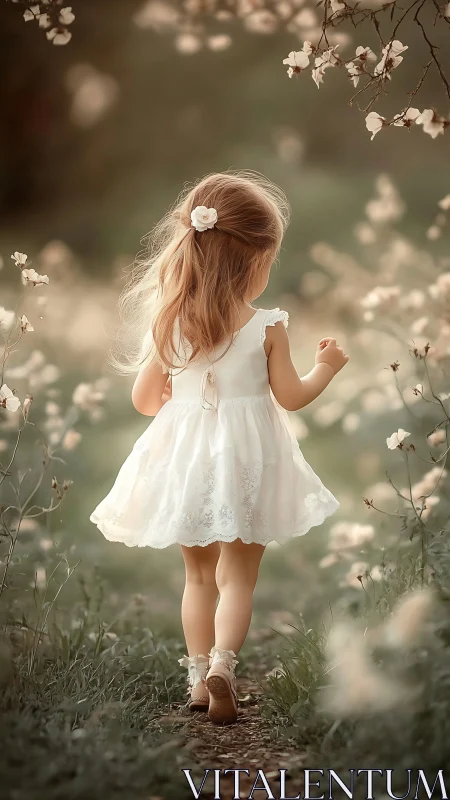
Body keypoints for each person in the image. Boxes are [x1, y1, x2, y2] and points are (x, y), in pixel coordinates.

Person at [90, 171, 349, 725]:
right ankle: (223, 667)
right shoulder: (268, 326)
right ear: (254, 261)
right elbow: (292, 396)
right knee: (239, 576)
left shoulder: (168, 323)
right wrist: (327, 366)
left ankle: (195, 678)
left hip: (190, 463)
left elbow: (144, 401)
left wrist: (177, 394)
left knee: (199, 578)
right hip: (248, 461)